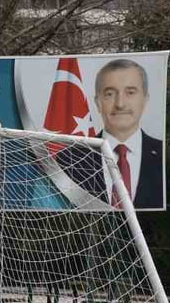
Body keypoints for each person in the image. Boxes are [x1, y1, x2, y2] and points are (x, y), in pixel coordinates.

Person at [58, 58, 164, 209]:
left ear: (145, 99)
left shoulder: (163, 155)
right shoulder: (69, 158)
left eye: (130, 92)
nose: (120, 104)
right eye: (109, 94)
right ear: (97, 102)